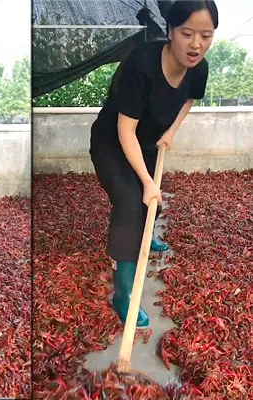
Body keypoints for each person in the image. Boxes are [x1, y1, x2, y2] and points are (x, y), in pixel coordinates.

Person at [89, 0, 218, 328]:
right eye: (187, 33)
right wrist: (146, 180)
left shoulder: (199, 68)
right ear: (170, 31)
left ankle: (147, 235)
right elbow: (124, 129)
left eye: (206, 35)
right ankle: (123, 295)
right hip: (112, 142)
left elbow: (190, 99)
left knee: (152, 202)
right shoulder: (142, 62)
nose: (196, 44)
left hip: (147, 142)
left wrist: (171, 131)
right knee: (131, 203)